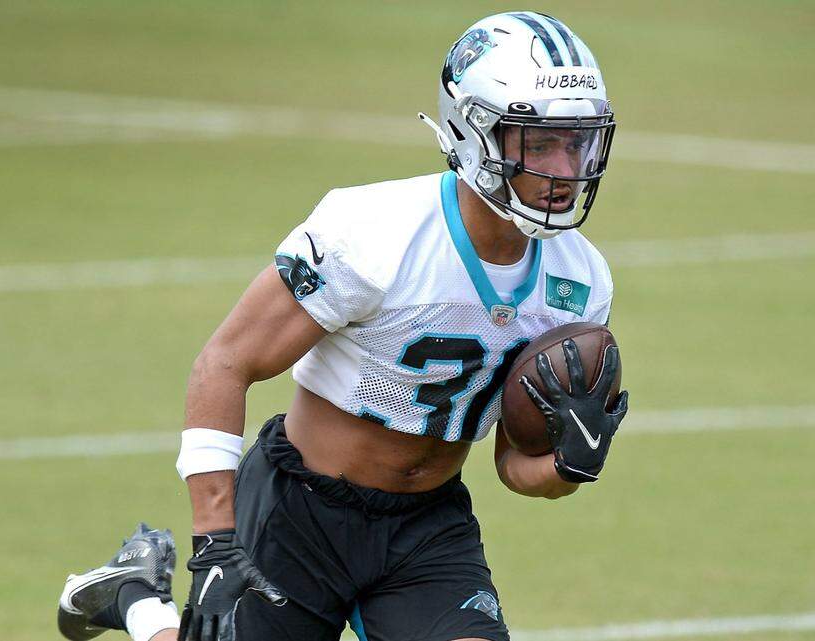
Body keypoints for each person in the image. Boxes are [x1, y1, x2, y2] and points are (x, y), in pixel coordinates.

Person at [57, 10, 628, 641]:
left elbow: (514, 467)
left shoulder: (580, 281)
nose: (566, 167)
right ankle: (136, 595)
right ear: (475, 135)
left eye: (577, 141)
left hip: (427, 526)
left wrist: (572, 464)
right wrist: (215, 542)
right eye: (539, 141)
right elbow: (225, 362)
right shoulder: (374, 232)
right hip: (302, 511)